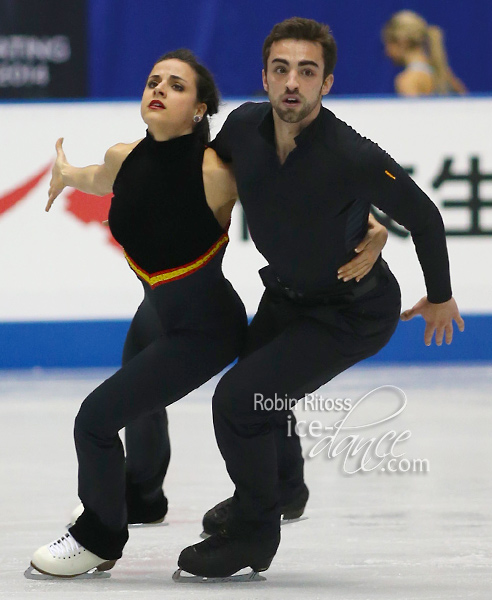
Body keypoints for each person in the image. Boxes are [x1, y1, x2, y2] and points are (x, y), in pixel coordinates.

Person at [27, 47, 386, 579]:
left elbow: (309, 191)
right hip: (157, 313)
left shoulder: (218, 171)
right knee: (140, 403)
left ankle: (98, 537)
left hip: (204, 327)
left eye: (176, 85)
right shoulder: (124, 156)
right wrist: (67, 173)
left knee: (95, 420)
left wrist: (370, 225)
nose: (159, 89)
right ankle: (147, 495)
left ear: (199, 109)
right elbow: (102, 179)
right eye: (153, 80)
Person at [176, 17, 464, 579]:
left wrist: (441, 295)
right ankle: (282, 488)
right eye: (281, 69)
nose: (292, 83)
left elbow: (425, 217)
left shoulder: (350, 152)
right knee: (261, 395)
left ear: (326, 83)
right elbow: (211, 173)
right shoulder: (241, 126)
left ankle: (255, 535)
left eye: (307, 72)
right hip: (286, 300)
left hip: (350, 311)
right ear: (263, 75)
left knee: (239, 401)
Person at [382, 10, 467, 97]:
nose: (386, 52)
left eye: (388, 44)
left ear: (402, 42)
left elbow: (413, 111)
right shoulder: (446, 77)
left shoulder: (408, 81)